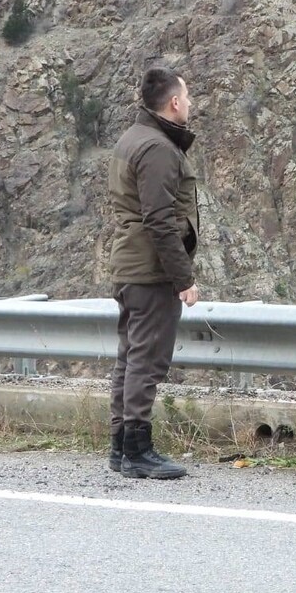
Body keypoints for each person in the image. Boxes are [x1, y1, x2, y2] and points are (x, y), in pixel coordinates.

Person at [106, 66, 201, 479]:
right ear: (174, 102)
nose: (191, 103)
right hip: (150, 271)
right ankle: (137, 452)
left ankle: (120, 447)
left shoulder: (133, 138)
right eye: (188, 96)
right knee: (146, 360)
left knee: (130, 358)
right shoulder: (159, 148)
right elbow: (160, 219)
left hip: (131, 265)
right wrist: (184, 278)